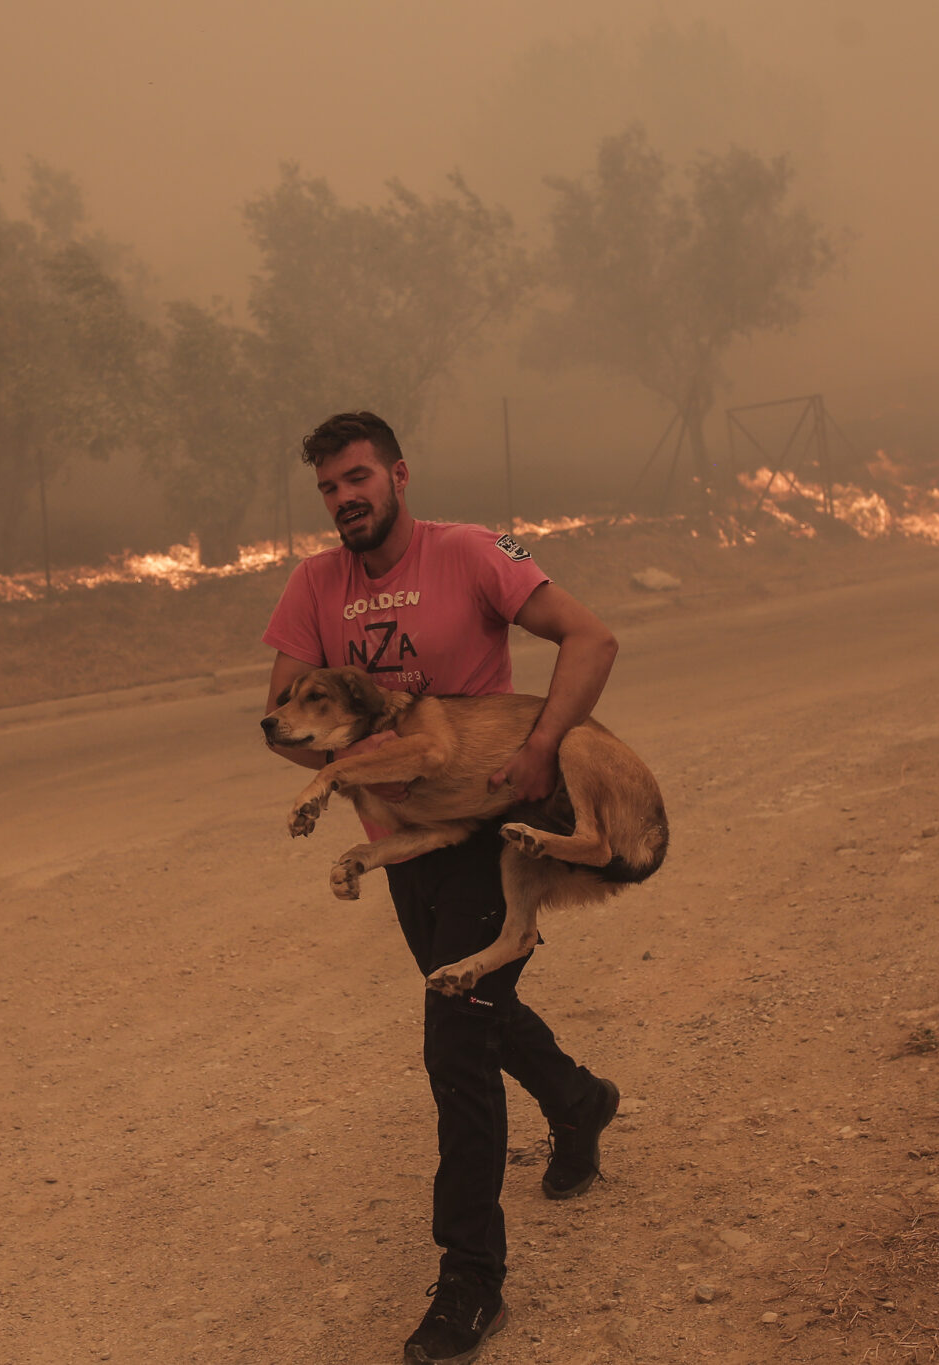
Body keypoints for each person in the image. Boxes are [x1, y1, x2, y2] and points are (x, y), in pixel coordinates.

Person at [262, 411, 624, 1364]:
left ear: (398, 475)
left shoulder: (473, 552)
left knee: (453, 1045)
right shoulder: (314, 585)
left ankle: (471, 1279)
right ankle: (579, 1099)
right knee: (477, 1005)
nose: (345, 498)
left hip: (483, 826)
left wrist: (543, 746)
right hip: (401, 847)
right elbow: (283, 717)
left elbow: (589, 638)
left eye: (357, 478)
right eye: (329, 488)